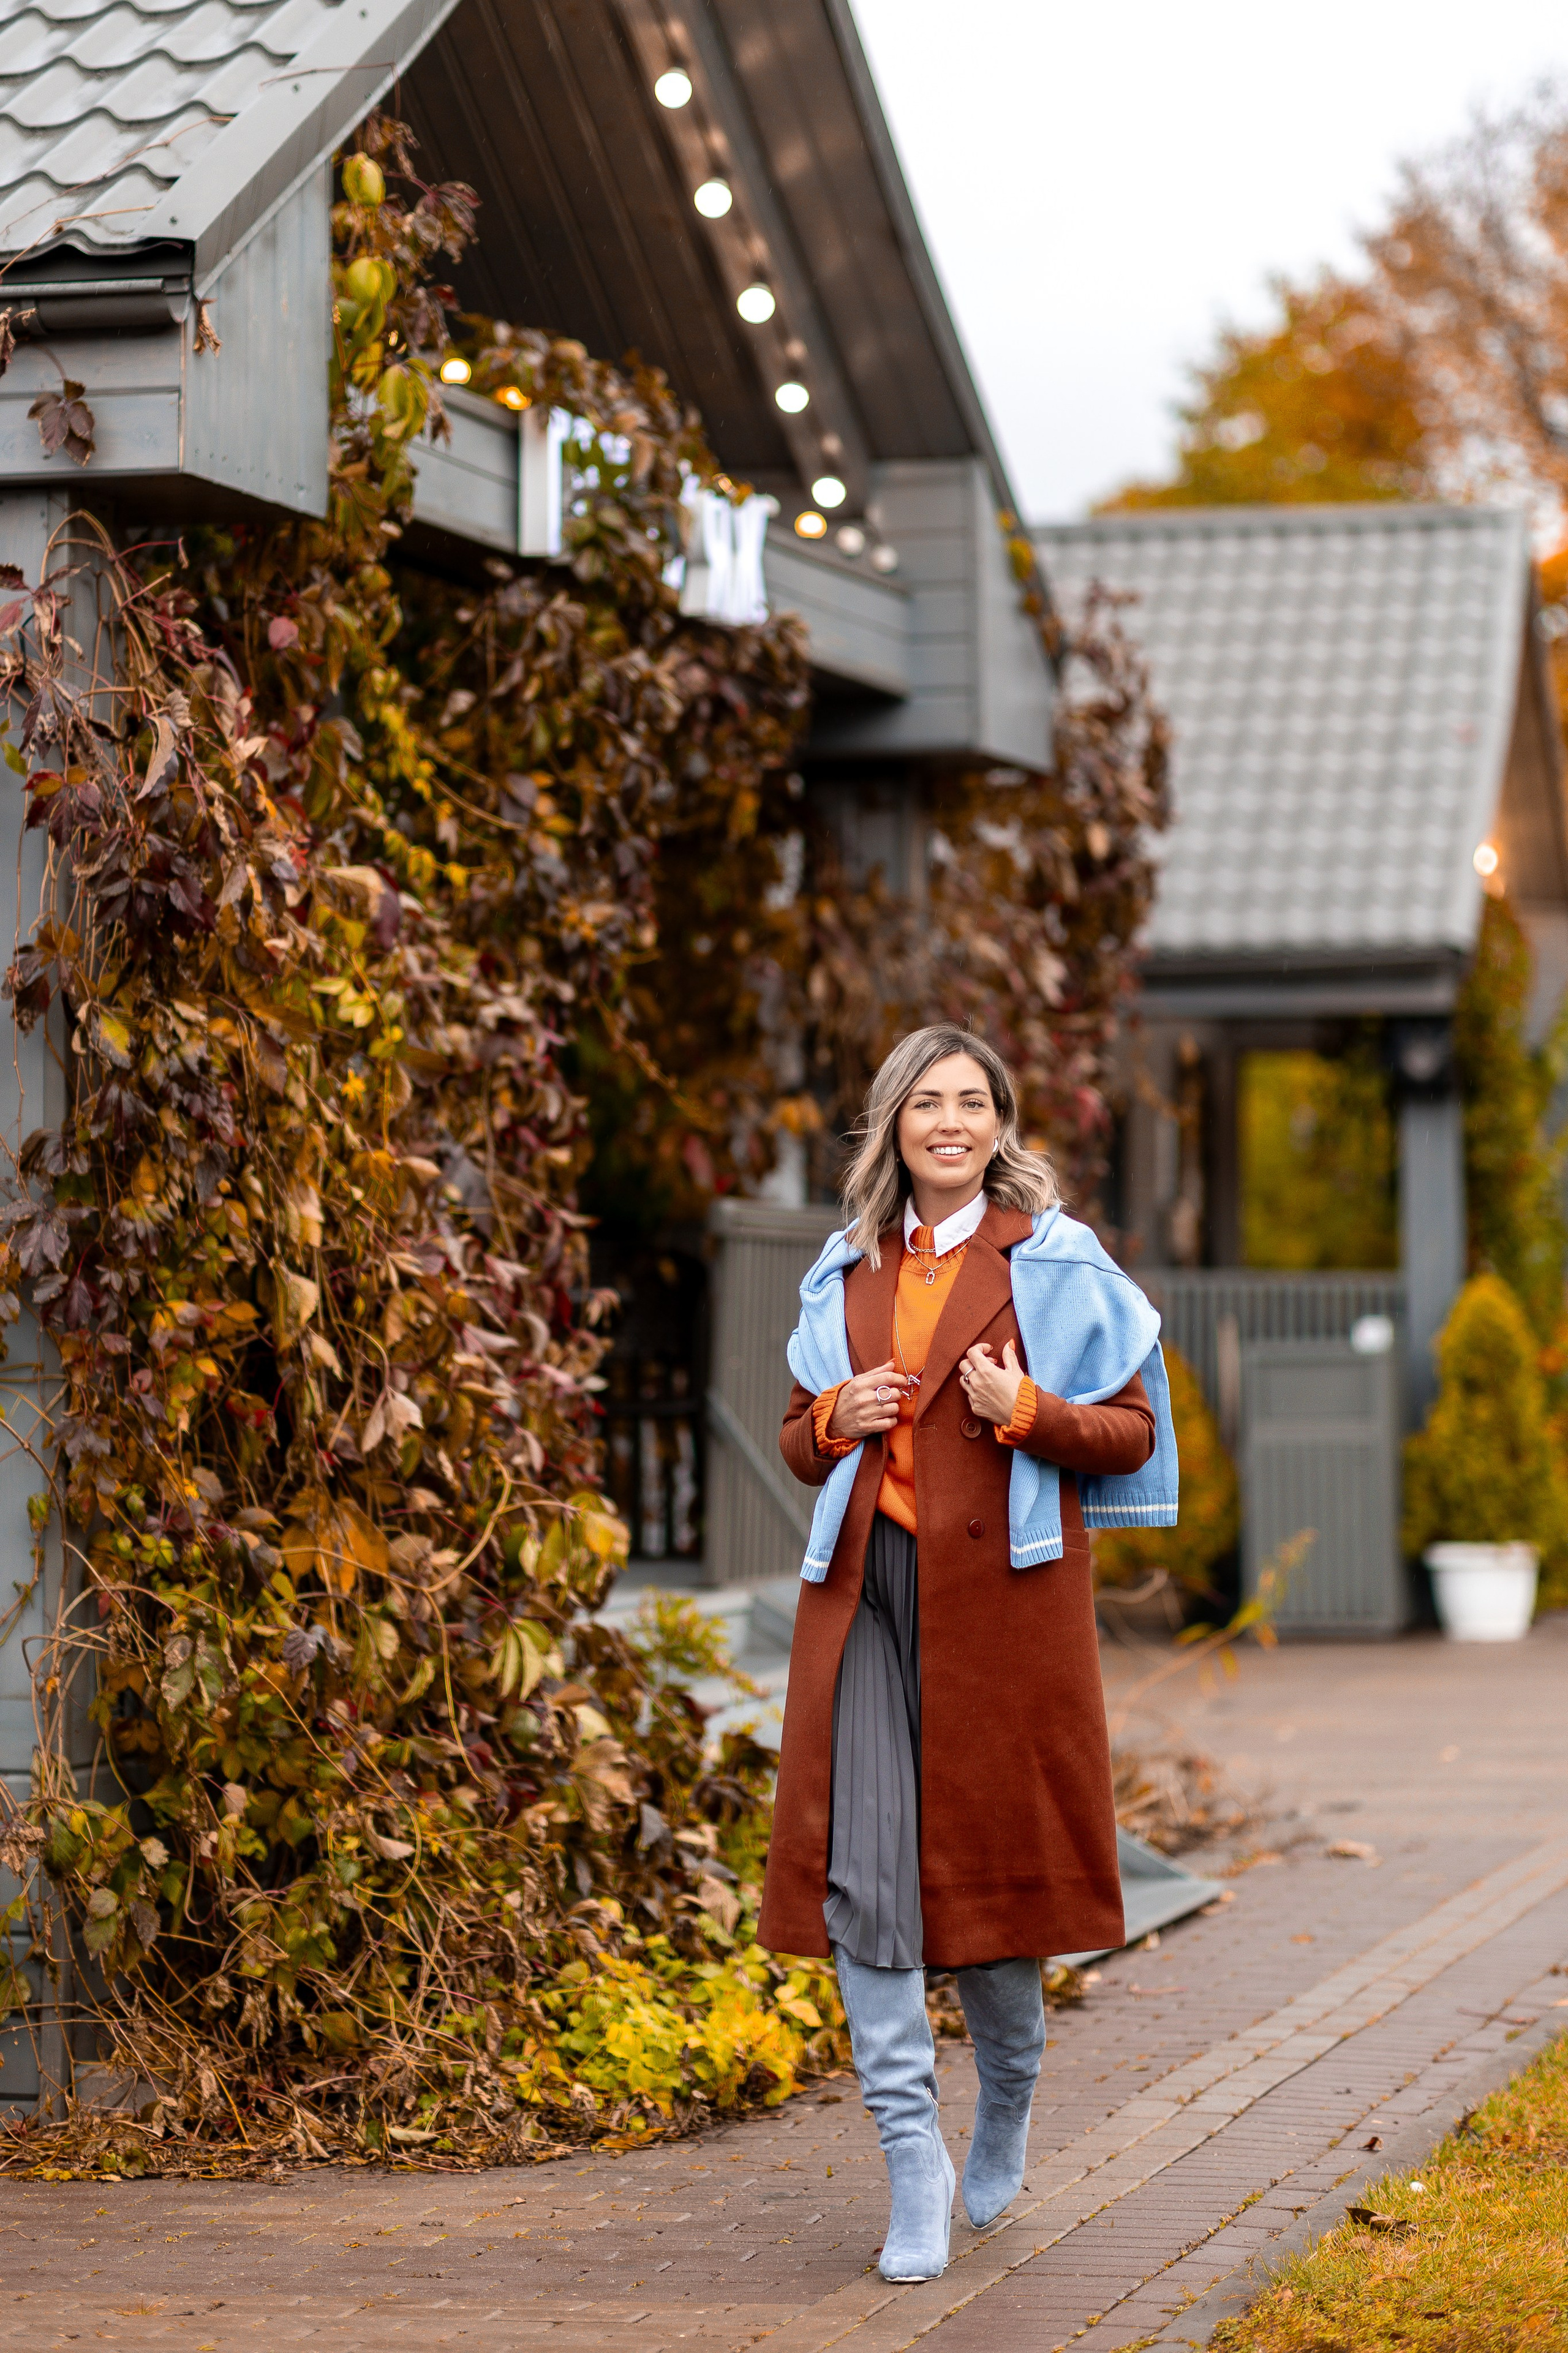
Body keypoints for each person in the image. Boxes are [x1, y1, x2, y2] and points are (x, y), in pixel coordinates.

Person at [758, 1024, 1178, 2283]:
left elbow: (1130, 1432)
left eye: (970, 1101)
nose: (948, 1121)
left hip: (1005, 1609)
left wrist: (1025, 1412)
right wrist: (836, 1415)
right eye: (923, 1103)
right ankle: (911, 2166)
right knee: (862, 1891)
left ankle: (1002, 2109)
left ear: (999, 1122)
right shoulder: (843, 1272)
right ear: (891, 1125)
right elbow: (794, 1437)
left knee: (995, 1899)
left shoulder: (1054, 1262)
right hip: (867, 1602)